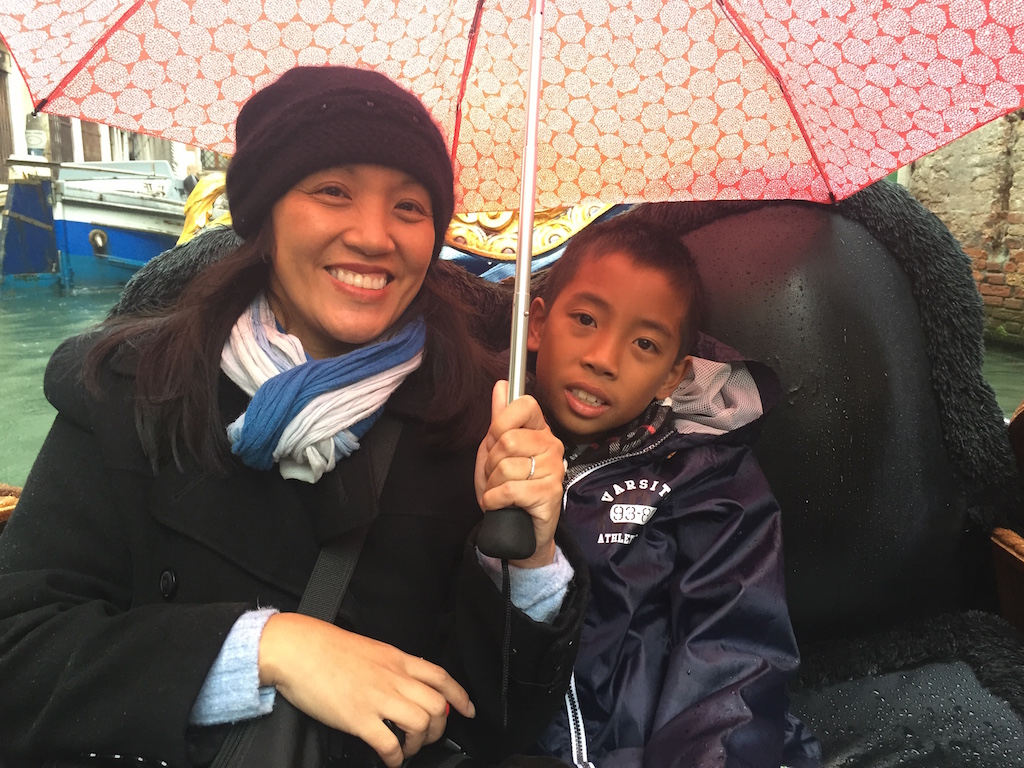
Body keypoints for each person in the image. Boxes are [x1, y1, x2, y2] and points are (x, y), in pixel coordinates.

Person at [0, 66, 588, 768]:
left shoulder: (479, 421)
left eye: (408, 207)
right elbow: (20, 660)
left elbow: (497, 722)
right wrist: (268, 650)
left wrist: (528, 559)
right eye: (332, 191)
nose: (375, 236)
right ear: (265, 215)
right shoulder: (131, 390)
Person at [523, 215, 821, 767]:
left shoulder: (710, 477)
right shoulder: (479, 438)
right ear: (536, 324)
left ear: (671, 376)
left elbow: (732, 652)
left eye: (643, 343)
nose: (603, 359)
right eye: (585, 319)